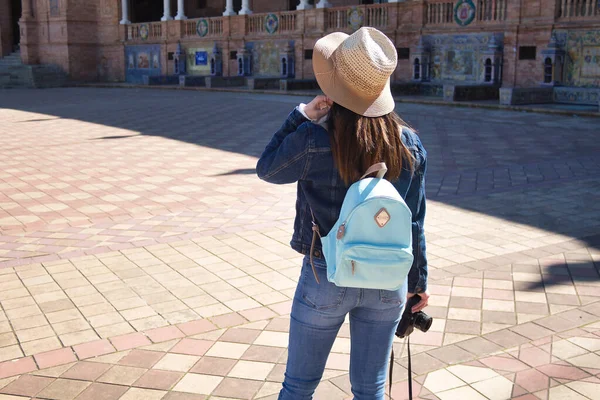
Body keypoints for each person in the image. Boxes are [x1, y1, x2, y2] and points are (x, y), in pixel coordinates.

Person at [256, 27, 430, 400]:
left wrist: (301, 115)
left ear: (335, 88)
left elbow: (267, 168)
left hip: (326, 276)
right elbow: (413, 221)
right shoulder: (408, 143)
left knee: (299, 387)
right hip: (388, 280)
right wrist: (418, 283)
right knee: (371, 390)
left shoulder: (315, 139)